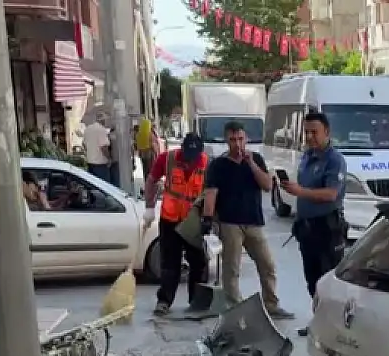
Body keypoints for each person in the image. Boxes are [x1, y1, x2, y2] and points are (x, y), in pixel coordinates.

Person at [201, 121, 293, 319]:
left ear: (246, 139)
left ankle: (271, 304)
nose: (237, 144)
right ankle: (235, 307)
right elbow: (211, 193)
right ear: (226, 140)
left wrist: (251, 163)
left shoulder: (256, 159)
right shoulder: (218, 165)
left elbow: (268, 185)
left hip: (254, 221)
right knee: (231, 268)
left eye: (240, 139)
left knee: (267, 264)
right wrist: (208, 218)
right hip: (230, 222)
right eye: (233, 140)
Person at [279, 111, 347, 336]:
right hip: (306, 228)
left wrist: (300, 191)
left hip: (327, 228)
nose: (309, 137)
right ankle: (319, 320)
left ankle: (334, 327)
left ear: (327, 132)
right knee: (312, 279)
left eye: (314, 132)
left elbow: (330, 194)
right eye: (306, 132)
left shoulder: (334, 160)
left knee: (329, 280)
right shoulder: (307, 156)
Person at [144, 133, 209, 316]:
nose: (190, 161)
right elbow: (151, 181)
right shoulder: (168, 158)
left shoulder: (206, 163)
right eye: (188, 155)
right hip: (170, 219)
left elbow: (211, 192)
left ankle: (196, 300)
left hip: (192, 221)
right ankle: (164, 301)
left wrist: (210, 218)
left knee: (198, 262)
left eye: (194, 157)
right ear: (182, 149)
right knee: (169, 263)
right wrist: (149, 207)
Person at [83, 112, 112, 183]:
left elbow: (84, 144)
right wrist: (109, 159)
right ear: (103, 120)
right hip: (100, 165)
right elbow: (104, 147)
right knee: (104, 187)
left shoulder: (88, 129)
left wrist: (90, 152)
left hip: (90, 163)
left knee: (94, 186)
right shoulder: (101, 130)